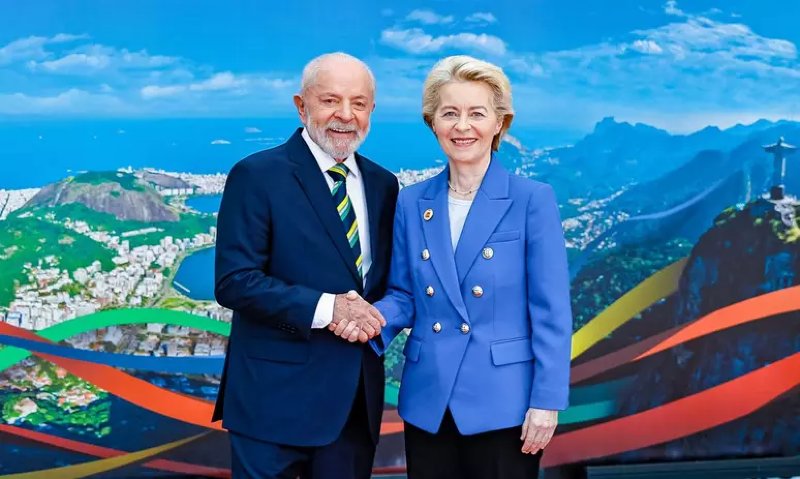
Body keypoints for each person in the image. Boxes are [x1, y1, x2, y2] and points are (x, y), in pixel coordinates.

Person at [349, 55, 573, 478]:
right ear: (433, 122)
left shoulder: (531, 199)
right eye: (449, 113)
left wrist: (546, 401)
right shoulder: (412, 202)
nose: (462, 126)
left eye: (477, 113)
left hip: (505, 403)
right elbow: (404, 295)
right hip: (429, 400)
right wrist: (365, 319)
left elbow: (551, 312)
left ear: (499, 123)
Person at [212, 52, 399, 479]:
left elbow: (382, 284)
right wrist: (329, 308)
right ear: (302, 106)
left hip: (353, 408)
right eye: (330, 100)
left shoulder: (384, 184)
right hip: (271, 404)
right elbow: (234, 281)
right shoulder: (257, 175)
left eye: (358, 103)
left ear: (372, 110)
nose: (345, 115)